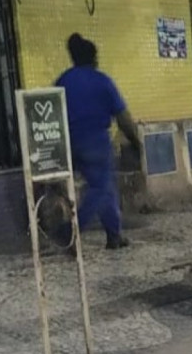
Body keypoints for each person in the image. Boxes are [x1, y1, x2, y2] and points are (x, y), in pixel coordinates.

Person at [55, 34, 141, 249]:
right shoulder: (102, 81)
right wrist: (135, 141)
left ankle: (114, 235)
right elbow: (123, 118)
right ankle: (70, 231)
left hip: (69, 143)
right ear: (93, 58)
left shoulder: (63, 81)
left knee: (106, 186)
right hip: (96, 142)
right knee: (100, 187)